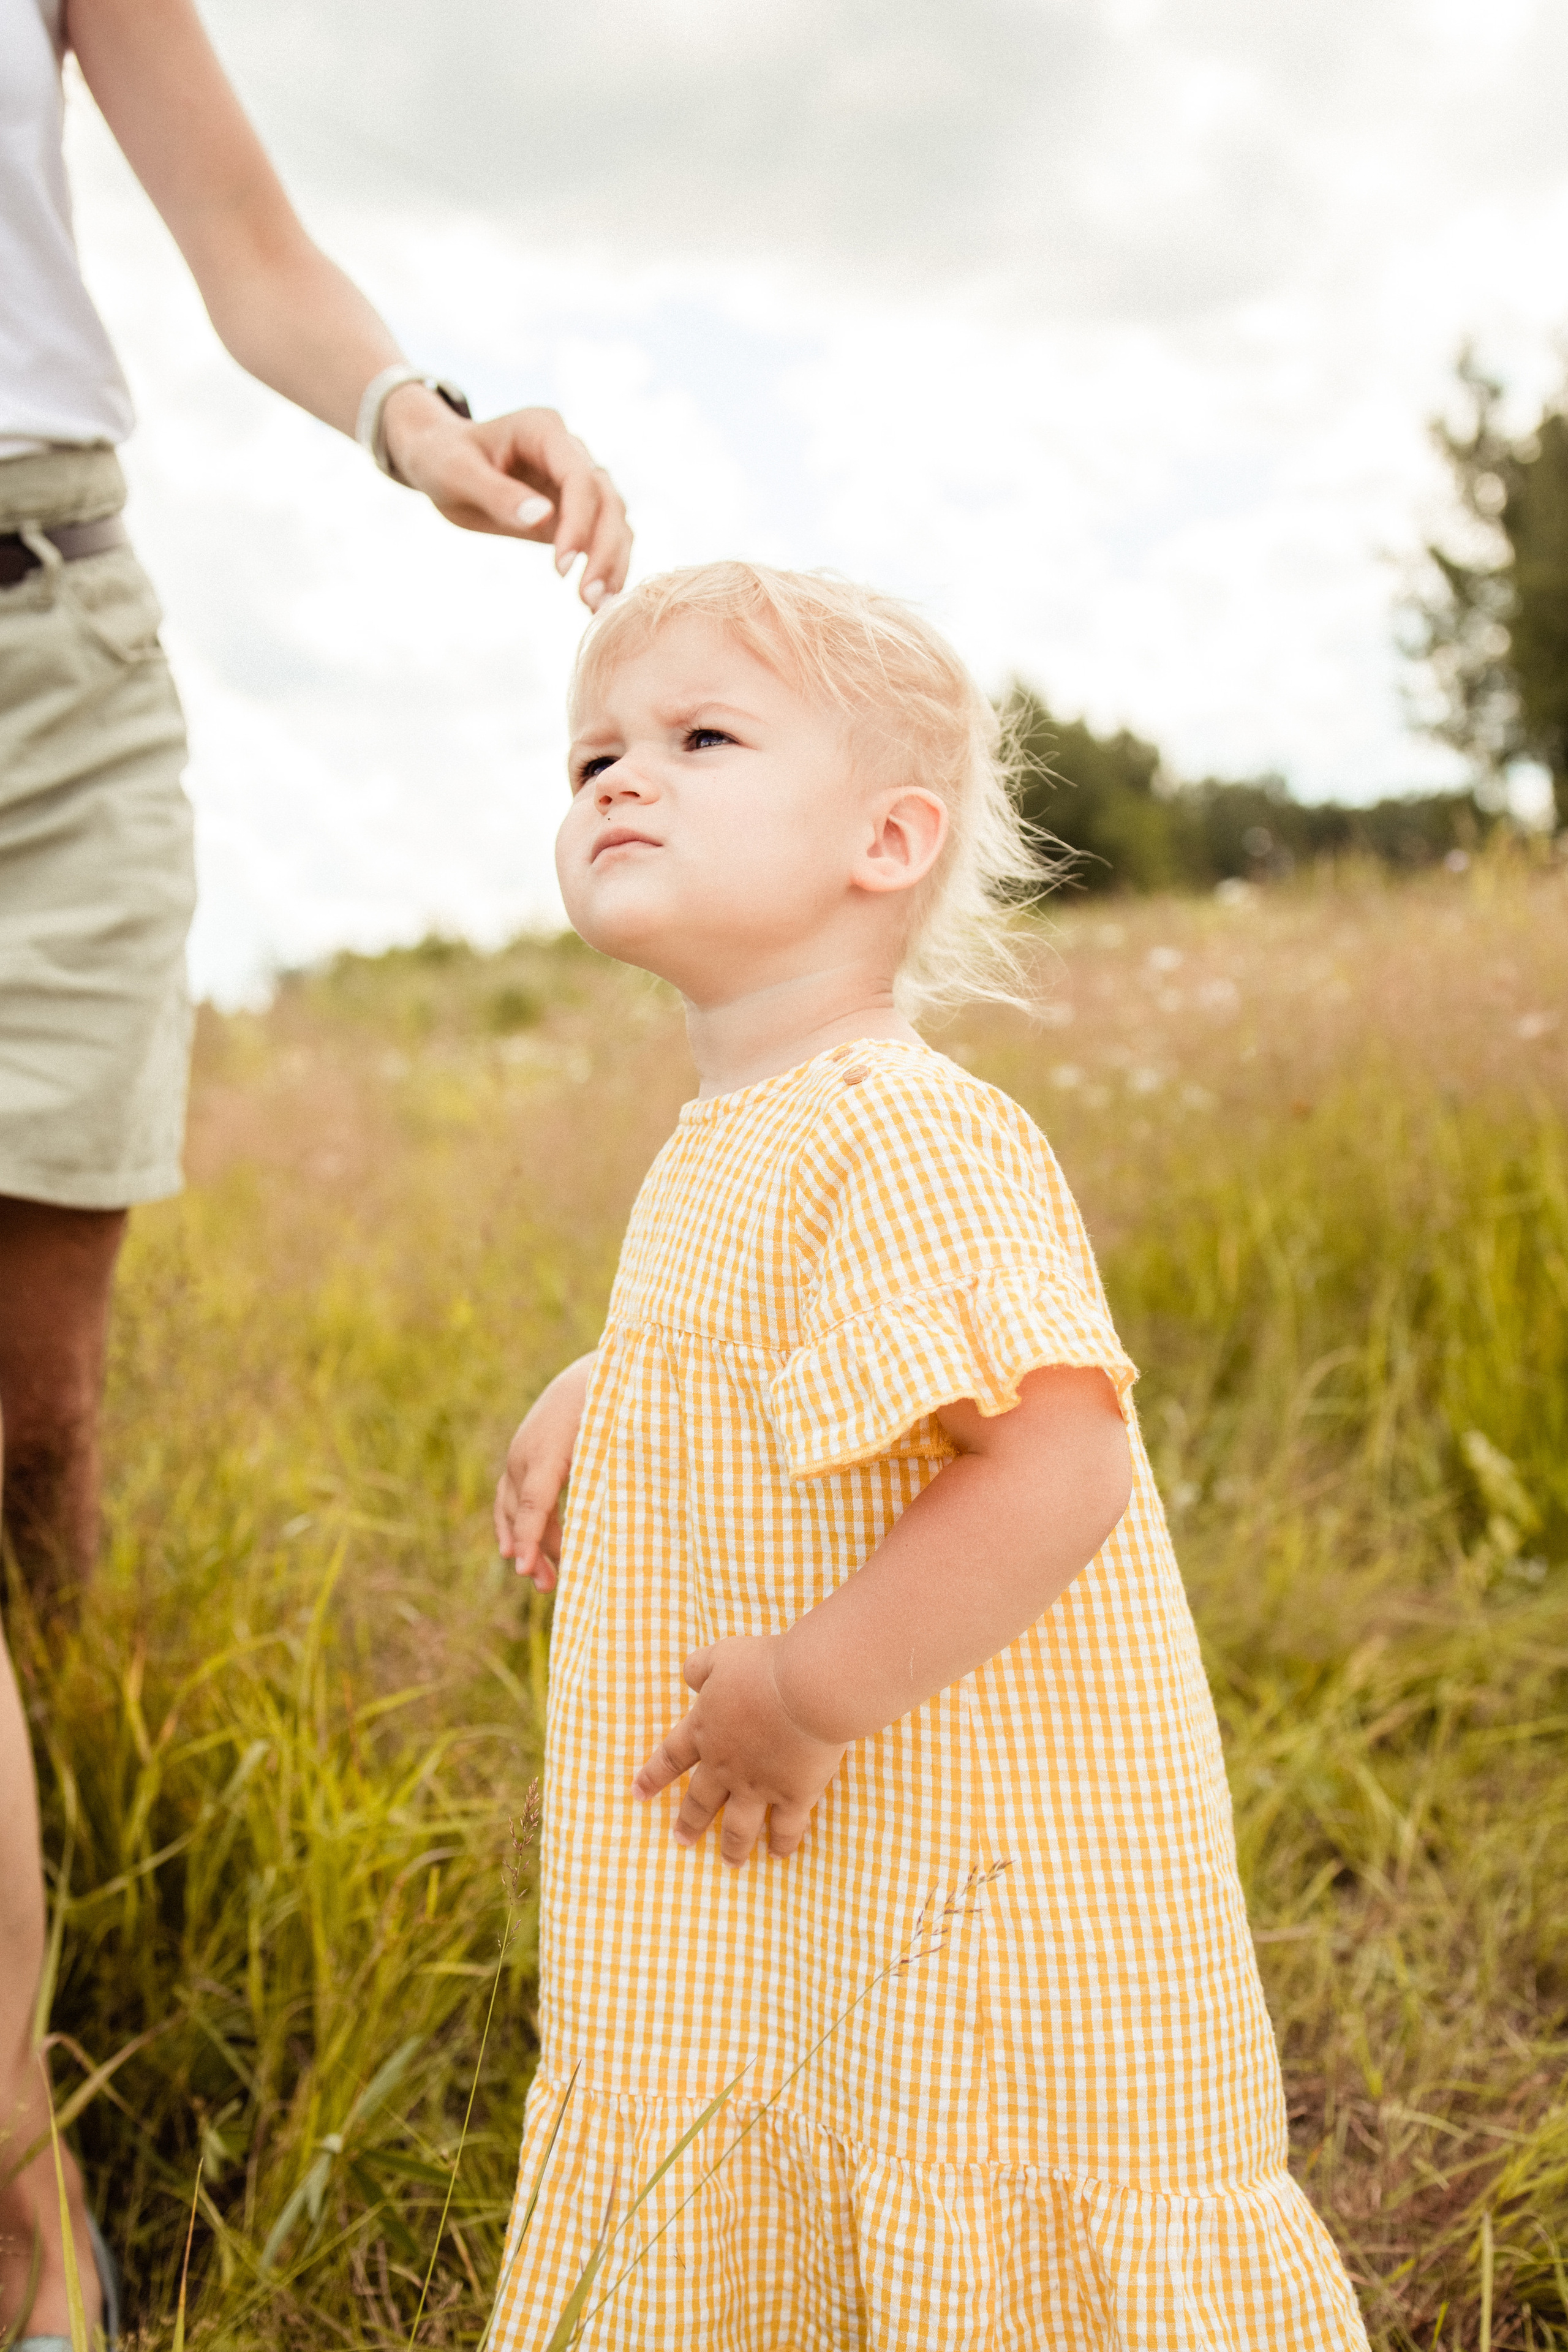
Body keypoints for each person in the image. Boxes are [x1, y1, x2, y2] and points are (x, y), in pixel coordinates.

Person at [486, 563, 1370, 2350]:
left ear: (888, 841)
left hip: (973, 1867)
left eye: (698, 737)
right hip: (843, 1856)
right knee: (812, 2092)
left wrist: (806, 1694)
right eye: (592, 759)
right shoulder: (742, 1125)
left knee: (967, 2144)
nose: (617, 783)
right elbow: (783, 1336)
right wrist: (619, 1376)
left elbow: (1056, 1467)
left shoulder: (910, 1127)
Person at [0, 0, 631, 2337]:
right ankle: (24, 2190)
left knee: (35, 1426)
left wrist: (419, 425)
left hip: (46, 658)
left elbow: (250, 251)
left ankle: (99, 1842)